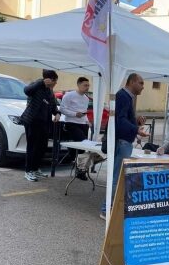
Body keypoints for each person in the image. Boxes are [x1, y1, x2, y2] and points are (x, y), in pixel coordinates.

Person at [100, 73, 148, 220]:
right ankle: (106, 209)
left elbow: (122, 119)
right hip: (122, 142)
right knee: (117, 177)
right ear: (132, 82)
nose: (142, 87)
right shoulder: (123, 96)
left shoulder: (126, 97)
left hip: (123, 141)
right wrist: (136, 129)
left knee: (118, 176)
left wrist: (136, 121)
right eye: (140, 83)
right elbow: (118, 121)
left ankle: (110, 207)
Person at [21, 69, 60, 182]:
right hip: (32, 121)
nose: (55, 84)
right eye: (55, 81)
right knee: (32, 147)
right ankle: (28, 171)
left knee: (41, 148)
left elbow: (53, 106)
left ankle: (35, 169)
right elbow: (26, 90)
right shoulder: (36, 85)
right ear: (48, 80)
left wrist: (57, 113)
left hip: (44, 123)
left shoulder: (49, 91)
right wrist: (41, 82)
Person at [59, 77, 91, 180]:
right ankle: (73, 160)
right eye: (85, 85)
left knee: (82, 148)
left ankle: (80, 170)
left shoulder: (86, 98)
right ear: (78, 85)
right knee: (82, 143)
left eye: (88, 85)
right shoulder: (69, 95)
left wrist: (87, 121)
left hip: (83, 124)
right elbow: (62, 109)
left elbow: (84, 112)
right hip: (71, 123)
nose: (87, 87)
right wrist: (74, 114)